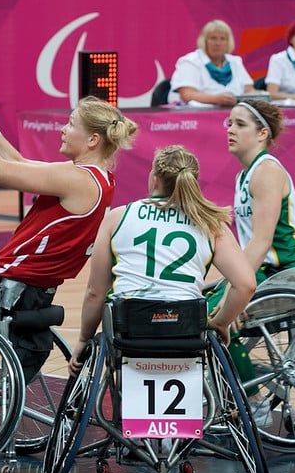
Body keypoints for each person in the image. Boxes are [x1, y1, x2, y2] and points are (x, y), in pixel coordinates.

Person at [0, 80, 138, 386]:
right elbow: (20, 165)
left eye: (71, 123)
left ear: (92, 139)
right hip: (33, 293)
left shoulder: (76, 178)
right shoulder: (99, 179)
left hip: (4, 289)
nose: (63, 129)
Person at [69, 144, 256, 374]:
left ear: (155, 179)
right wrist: (221, 323)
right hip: (186, 330)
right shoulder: (211, 224)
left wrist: (83, 340)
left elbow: (95, 292)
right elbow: (246, 284)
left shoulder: (118, 217)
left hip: (130, 329)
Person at [208, 99, 295, 427]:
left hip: (287, 273)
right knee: (200, 304)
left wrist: (234, 292)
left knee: (218, 315)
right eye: (229, 123)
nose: (230, 130)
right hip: (266, 271)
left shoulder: (266, 171)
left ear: (262, 133)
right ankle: (230, 395)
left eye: (240, 124)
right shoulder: (245, 175)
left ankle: (253, 405)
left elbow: (261, 242)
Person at [167, 19, 255, 107]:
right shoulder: (190, 61)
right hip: (199, 115)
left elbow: (249, 91)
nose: (218, 43)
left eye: (222, 39)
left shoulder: (235, 62)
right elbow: (187, 95)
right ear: (204, 41)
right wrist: (216, 99)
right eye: (213, 38)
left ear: (228, 42)